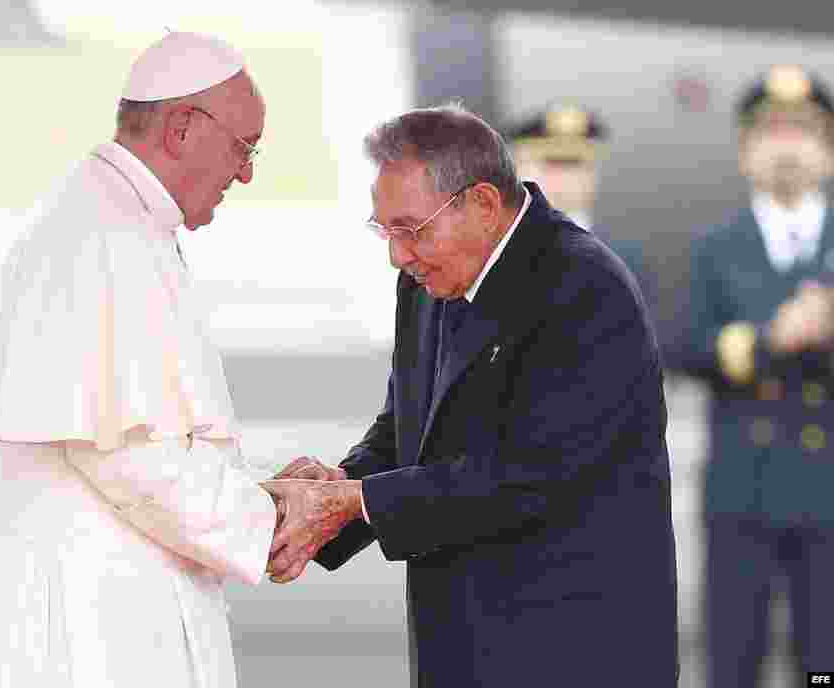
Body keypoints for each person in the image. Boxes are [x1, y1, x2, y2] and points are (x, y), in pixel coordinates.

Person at [261, 104, 679, 686]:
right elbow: (408, 426)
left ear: (482, 204)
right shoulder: (426, 278)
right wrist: (336, 486)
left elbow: (530, 473)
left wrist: (357, 501)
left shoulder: (583, 287)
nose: (397, 255)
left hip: (571, 647)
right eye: (385, 231)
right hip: (461, 642)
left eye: (412, 229)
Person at [0, 32, 281, 687]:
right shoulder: (102, 232)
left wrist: (261, 494)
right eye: (244, 147)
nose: (247, 171)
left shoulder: (119, 216)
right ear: (181, 128)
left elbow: (143, 425)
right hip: (81, 626)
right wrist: (271, 520)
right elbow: (128, 454)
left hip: (97, 604)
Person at [682, 64, 834, 685]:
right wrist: (772, 339)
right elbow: (688, 346)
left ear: (827, 150)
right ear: (746, 152)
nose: (788, 145)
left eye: (804, 131)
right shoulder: (717, 246)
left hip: (829, 490)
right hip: (743, 488)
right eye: (771, 131)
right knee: (734, 660)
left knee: (826, 663)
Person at [506, 103, 659, 325]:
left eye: (575, 163)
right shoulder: (484, 255)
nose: (565, 177)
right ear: (518, 168)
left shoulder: (627, 261)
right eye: (553, 163)